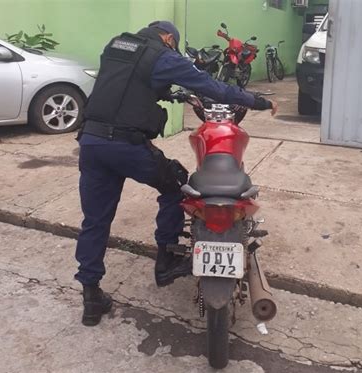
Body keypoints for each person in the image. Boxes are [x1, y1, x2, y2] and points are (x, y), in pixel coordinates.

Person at [75, 20, 278, 326]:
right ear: (169, 38)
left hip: (91, 143)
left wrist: (169, 93)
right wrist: (257, 102)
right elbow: (211, 87)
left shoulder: (117, 46)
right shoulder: (163, 55)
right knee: (178, 185)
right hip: (126, 146)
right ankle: (166, 260)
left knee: (95, 220)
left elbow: (127, 86)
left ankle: (91, 298)